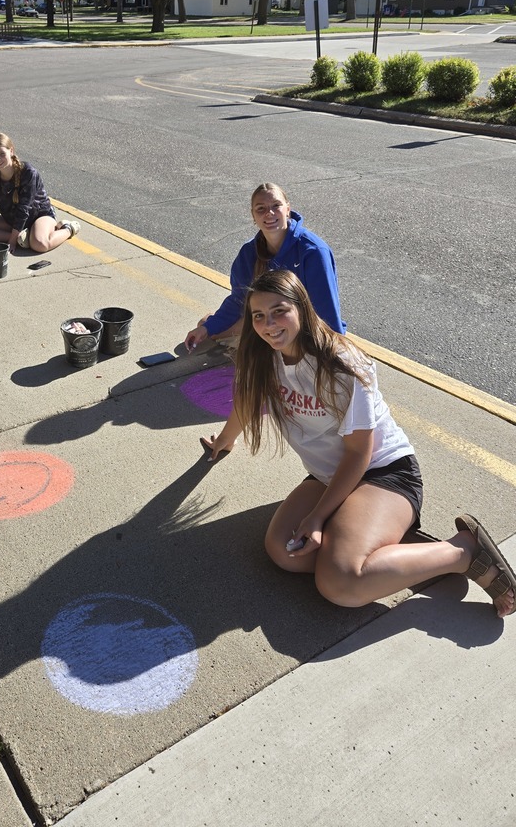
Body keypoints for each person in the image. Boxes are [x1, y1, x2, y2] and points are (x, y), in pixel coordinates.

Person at [210, 268, 515, 617]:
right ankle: (382, 548)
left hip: (383, 473)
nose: (269, 323)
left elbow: (359, 452)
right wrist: (224, 440)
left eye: (280, 310)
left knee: (341, 584)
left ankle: (462, 552)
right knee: (283, 552)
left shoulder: (341, 364)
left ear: (302, 308)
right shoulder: (264, 355)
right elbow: (247, 402)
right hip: (331, 476)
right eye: (259, 315)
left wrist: (317, 516)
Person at [184, 183, 344, 352]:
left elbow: (327, 312)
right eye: (261, 209)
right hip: (271, 322)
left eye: (276, 206)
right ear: (253, 216)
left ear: (288, 209)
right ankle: (212, 323)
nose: (269, 213)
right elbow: (239, 301)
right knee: (211, 330)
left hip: (302, 327)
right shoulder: (248, 253)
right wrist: (207, 328)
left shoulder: (313, 251)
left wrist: (332, 351)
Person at [0, 132, 80, 254]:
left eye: (2, 154)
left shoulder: (28, 172)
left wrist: (13, 241)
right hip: (12, 221)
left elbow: (24, 209)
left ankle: (68, 229)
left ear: (11, 151)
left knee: (40, 244)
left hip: (39, 216)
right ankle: (23, 238)